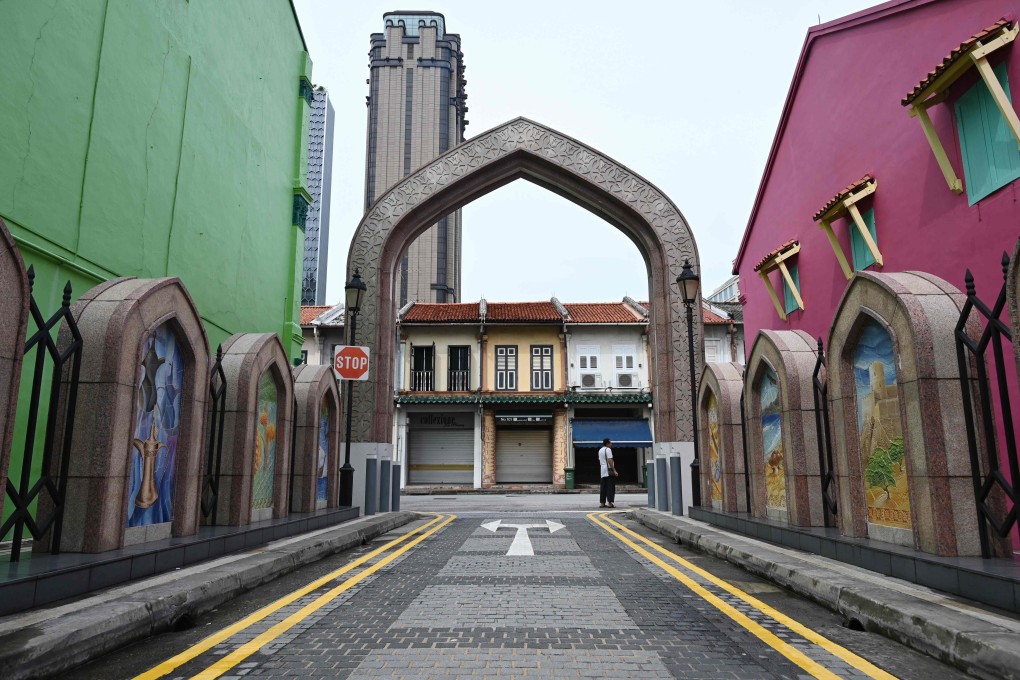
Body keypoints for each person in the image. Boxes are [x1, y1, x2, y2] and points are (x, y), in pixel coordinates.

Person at [598, 438, 618, 508]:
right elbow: (609, 460)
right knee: (610, 486)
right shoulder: (608, 450)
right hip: (608, 470)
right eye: (610, 443)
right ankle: (610, 503)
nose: (611, 444)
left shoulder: (600, 450)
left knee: (603, 487)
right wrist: (614, 470)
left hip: (602, 470)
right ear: (607, 444)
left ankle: (602, 503)